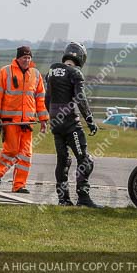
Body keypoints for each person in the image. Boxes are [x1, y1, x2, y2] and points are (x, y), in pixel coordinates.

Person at [45, 42, 100, 208]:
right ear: (81, 57)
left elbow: (47, 98)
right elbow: (80, 98)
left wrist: (52, 116)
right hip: (70, 125)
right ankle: (83, 197)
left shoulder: (51, 72)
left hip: (55, 123)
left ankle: (63, 199)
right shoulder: (75, 73)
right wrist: (89, 120)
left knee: (63, 160)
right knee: (85, 160)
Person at [0, 46, 49, 193]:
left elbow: (40, 99)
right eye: (24, 58)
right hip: (10, 120)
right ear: (17, 58)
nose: (26, 60)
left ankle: (19, 185)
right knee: (11, 150)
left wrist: (43, 119)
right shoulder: (5, 72)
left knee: (26, 155)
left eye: (29, 58)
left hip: (27, 122)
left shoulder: (36, 74)